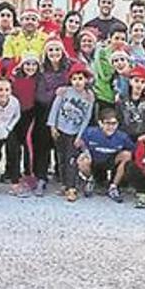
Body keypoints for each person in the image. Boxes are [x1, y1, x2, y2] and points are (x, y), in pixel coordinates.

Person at [46, 62, 95, 202]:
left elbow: (87, 118)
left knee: (71, 159)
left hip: (75, 132)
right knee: (61, 158)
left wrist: (80, 136)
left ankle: (72, 188)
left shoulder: (89, 96)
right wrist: (52, 126)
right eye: (74, 79)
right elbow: (55, 109)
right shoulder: (65, 92)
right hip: (60, 129)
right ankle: (64, 183)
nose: (77, 82)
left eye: (80, 78)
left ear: (86, 80)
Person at [32, 37, 70, 195]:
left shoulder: (69, 67)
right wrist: (57, 93)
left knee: (62, 144)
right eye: (51, 50)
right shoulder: (41, 72)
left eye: (57, 50)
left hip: (65, 113)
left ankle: (63, 175)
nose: (54, 53)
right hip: (45, 112)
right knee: (42, 144)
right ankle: (41, 175)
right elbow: (40, 95)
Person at [75, 108, 135, 202]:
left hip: (110, 161)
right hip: (93, 160)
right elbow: (80, 144)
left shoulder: (122, 137)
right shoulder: (90, 132)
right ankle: (90, 180)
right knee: (83, 160)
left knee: (127, 155)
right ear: (100, 123)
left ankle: (113, 187)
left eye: (114, 123)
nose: (110, 127)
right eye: (107, 123)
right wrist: (84, 152)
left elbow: (133, 149)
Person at [4, 53, 38, 194]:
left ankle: (28, 171)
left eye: (33, 64)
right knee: (12, 144)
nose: (30, 67)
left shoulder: (38, 79)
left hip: (30, 114)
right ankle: (12, 171)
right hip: (14, 114)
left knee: (28, 143)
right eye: (27, 64)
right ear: (22, 66)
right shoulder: (14, 79)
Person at [115, 65, 145, 140]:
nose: (139, 84)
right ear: (130, 81)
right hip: (125, 136)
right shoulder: (121, 99)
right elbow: (119, 118)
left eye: (143, 82)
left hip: (144, 137)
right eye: (136, 81)